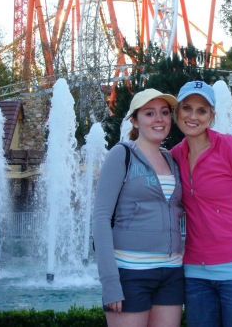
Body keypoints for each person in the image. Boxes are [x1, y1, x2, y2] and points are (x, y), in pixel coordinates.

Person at [170, 80, 232, 327]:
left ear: (211, 117)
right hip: (195, 274)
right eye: (187, 108)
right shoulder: (174, 156)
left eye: (202, 110)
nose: (193, 116)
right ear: (177, 113)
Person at [92, 88, 185, 327]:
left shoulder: (172, 160)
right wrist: (110, 282)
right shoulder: (121, 154)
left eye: (164, 113)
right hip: (131, 273)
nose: (159, 119)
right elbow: (101, 218)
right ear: (135, 120)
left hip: (171, 272)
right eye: (149, 113)